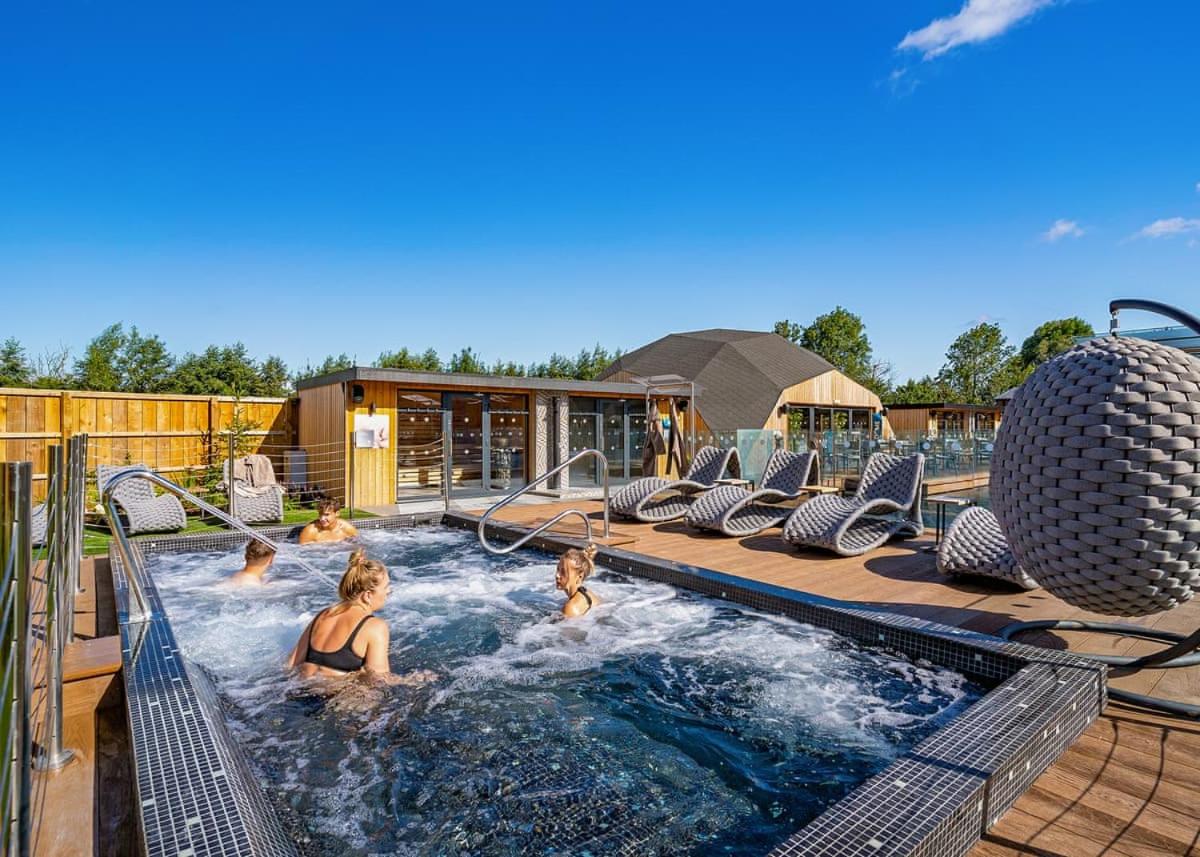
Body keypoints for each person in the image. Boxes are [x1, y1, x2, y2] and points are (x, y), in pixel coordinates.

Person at [288, 549, 416, 682]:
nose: (389, 591)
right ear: (367, 595)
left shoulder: (323, 615)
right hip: (338, 693)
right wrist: (412, 680)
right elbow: (379, 680)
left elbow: (291, 664)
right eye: (386, 587)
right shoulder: (375, 626)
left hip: (300, 689)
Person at [555, 544, 600, 618]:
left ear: (580, 576)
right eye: (558, 569)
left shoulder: (570, 608)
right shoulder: (588, 594)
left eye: (563, 572)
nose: (557, 575)